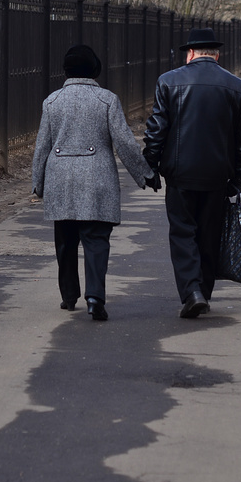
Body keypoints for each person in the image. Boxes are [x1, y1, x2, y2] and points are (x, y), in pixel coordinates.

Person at [32, 44, 156, 320]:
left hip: (61, 179)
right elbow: (124, 142)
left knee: (64, 241)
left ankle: (68, 295)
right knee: (96, 240)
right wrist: (145, 173)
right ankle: (95, 297)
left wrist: (38, 182)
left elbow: (43, 146)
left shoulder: (52, 102)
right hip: (97, 179)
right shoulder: (107, 100)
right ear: (95, 70)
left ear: (66, 71)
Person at [143, 28, 241, 318]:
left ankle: (191, 290)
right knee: (209, 235)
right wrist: (238, 178)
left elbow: (157, 130)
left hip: (180, 174)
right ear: (217, 55)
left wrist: (150, 166)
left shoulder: (168, 81)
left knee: (183, 233)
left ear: (190, 54)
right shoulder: (236, 86)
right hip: (218, 176)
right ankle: (202, 293)